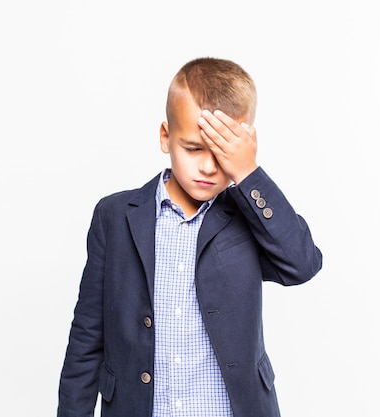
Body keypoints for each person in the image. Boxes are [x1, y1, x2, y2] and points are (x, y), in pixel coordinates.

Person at [57, 57, 323, 417]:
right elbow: (87, 338)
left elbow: (302, 263)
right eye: (194, 148)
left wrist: (248, 173)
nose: (209, 166)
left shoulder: (248, 217)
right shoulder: (115, 217)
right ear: (166, 137)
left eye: (223, 152)